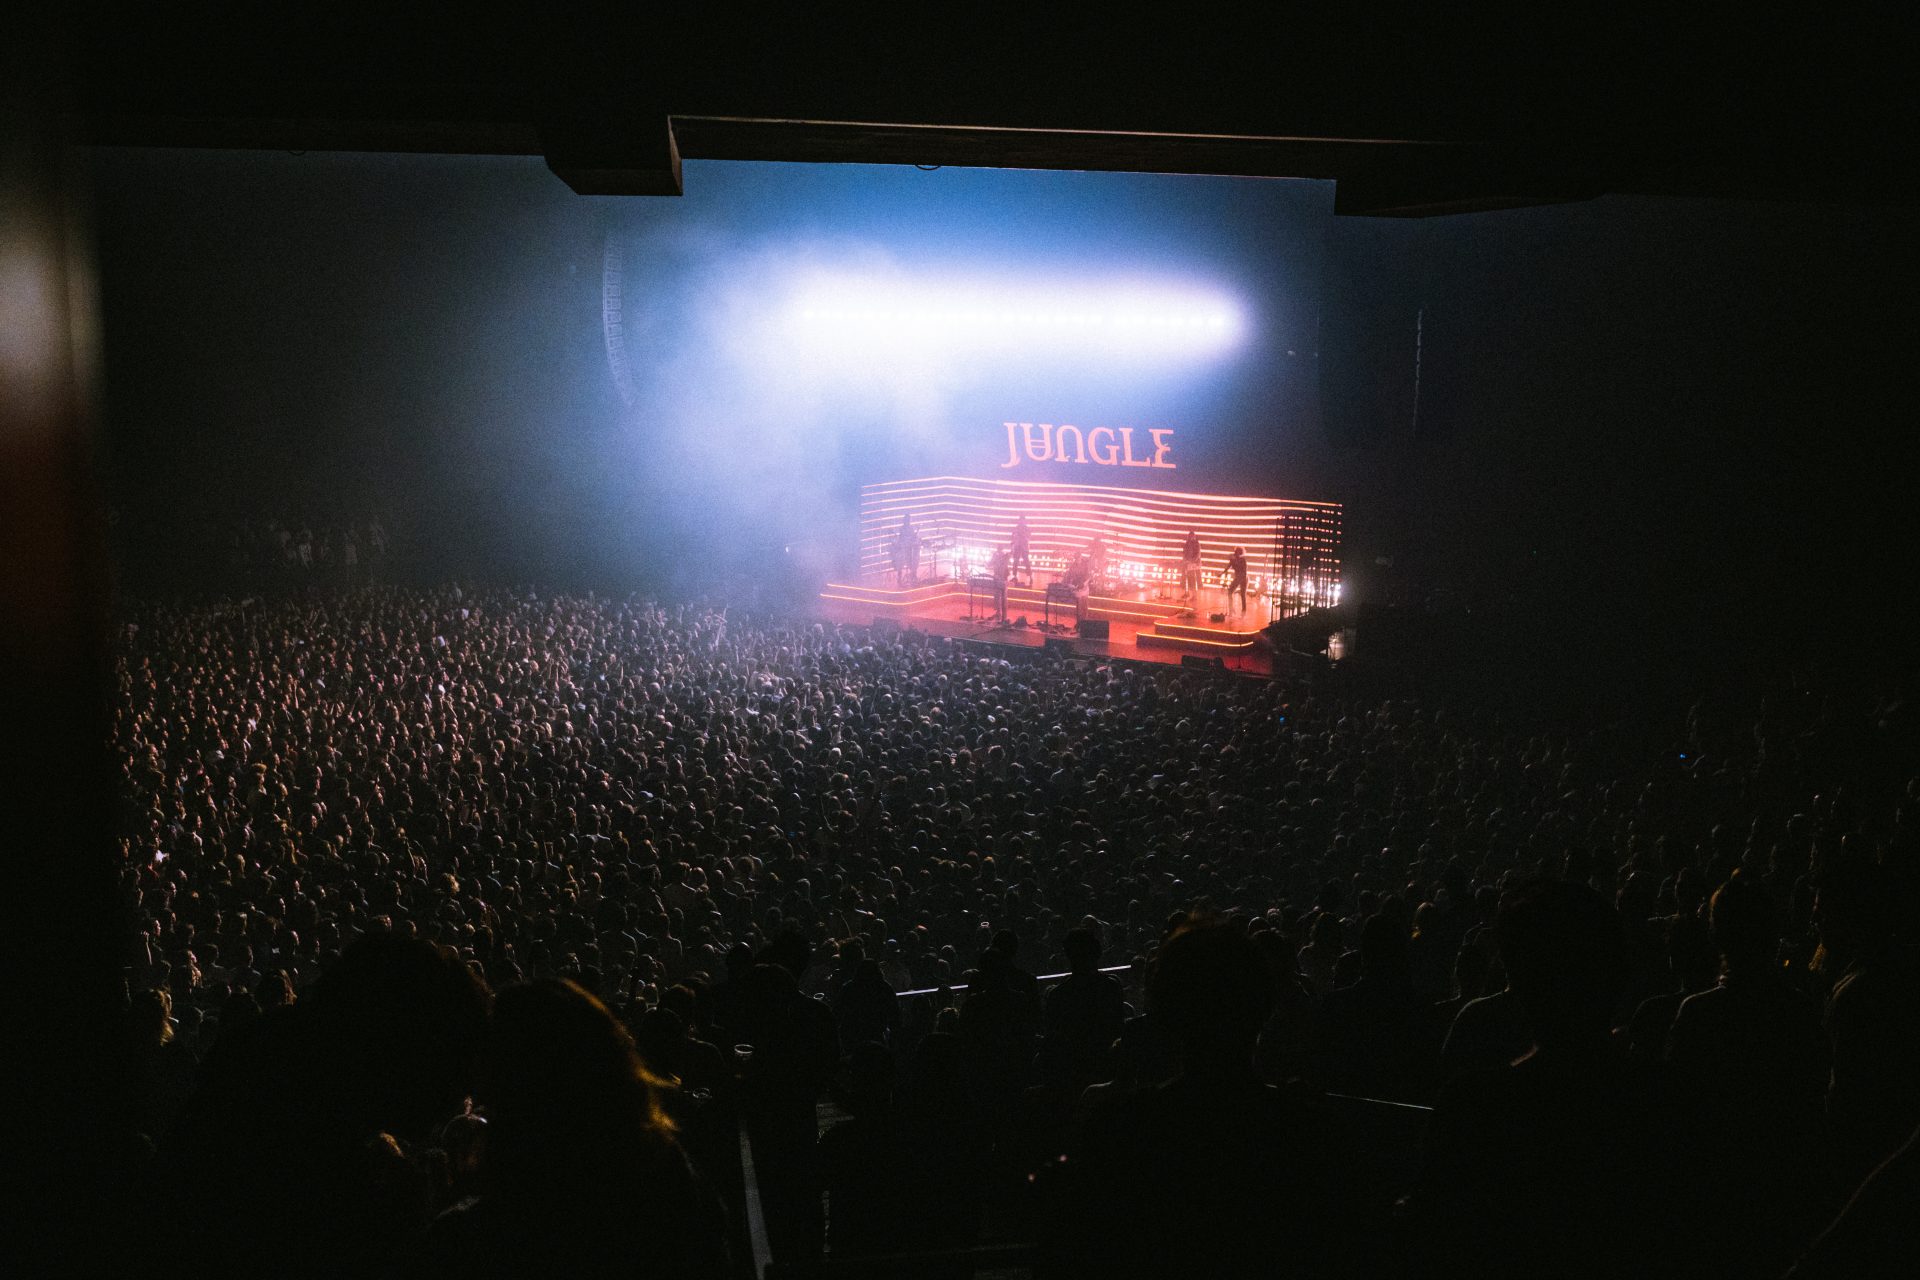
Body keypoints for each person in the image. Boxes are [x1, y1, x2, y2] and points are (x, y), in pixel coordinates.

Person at [893, 512, 921, 586]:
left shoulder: (911, 528)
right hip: (903, 548)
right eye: (907, 519)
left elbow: (913, 537)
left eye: (909, 519)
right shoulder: (902, 528)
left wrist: (916, 533)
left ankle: (913, 576)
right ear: (904, 520)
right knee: (900, 562)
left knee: (913, 560)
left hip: (909, 548)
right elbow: (900, 538)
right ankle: (899, 579)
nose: (908, 521)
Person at [1011, 515, 1034, 586]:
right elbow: (1013, 537)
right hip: (1017, 546)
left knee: (1026, 562)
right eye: (1020, 520)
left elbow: (1029, 536)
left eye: (1022, 520)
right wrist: (1013, 545)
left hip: (1024, 547)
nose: (1021, 522)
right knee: (1015, 562)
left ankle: (1030, 577)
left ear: (1024, 521)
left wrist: (1023, 535)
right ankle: (1014, 576)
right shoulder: (1016, 528)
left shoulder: (1027, 528)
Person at [1225, 546, 1249, 614]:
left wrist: (1240, 580)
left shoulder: (1243, 560)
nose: (1235, 553)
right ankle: (1231, 608)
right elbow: (1227, 567)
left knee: (1242, 594)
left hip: (1244, 578)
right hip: (1238, 578)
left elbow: (1244, 572)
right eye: (1235, 552)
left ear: (1240, 553)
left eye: (1237, 552)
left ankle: (1243, 611)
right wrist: (1221, 573)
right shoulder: (1233, 560)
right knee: (1230, 592)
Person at [1180, 531, 1201, 600]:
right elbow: (1184, 552)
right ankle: (1187, 593)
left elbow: (1197, 554)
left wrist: (1191, 561)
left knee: (1192, 580)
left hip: (1193, 564)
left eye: (1191, 536)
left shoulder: (1196, 544)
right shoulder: (1187, 543)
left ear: (1194, 537)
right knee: (1187, 579)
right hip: (1187, 563)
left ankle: (1194, 596)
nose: (1190, 538)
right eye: (1189, 536)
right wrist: (1185, 560)